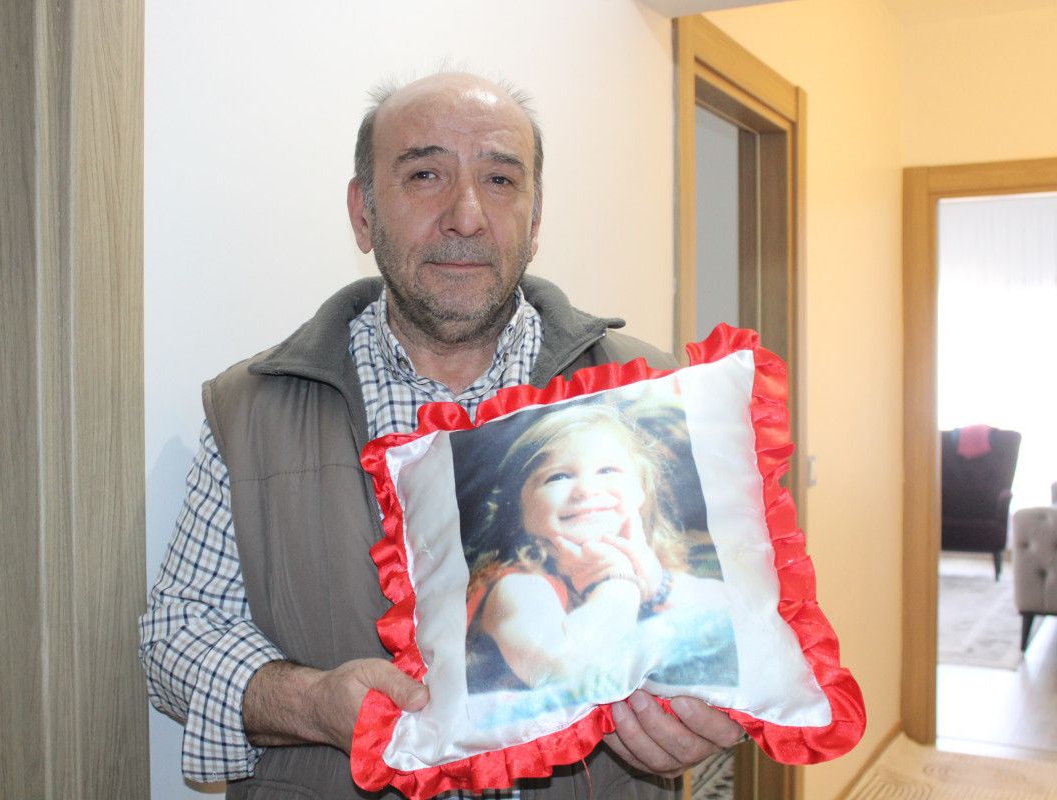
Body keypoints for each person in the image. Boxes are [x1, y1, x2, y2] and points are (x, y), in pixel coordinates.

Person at [139, 71, 744, 799]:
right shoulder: (252, 411)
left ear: (536, 218)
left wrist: (706, 717)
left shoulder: (651, 394)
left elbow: (742, 628)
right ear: (363, 213)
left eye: (500, 180)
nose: (466, 215)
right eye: (426, 175)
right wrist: (311, 704)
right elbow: (177, 634)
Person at [464, 403, 734, 696]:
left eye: (607, 470)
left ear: (641, 492)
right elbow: (568, 676)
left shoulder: (644, 566)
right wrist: (616, 580)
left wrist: (657, 585)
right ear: (516, 510)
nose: (586, 490)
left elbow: (735, 616)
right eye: (558, 476)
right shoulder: (517, 587)